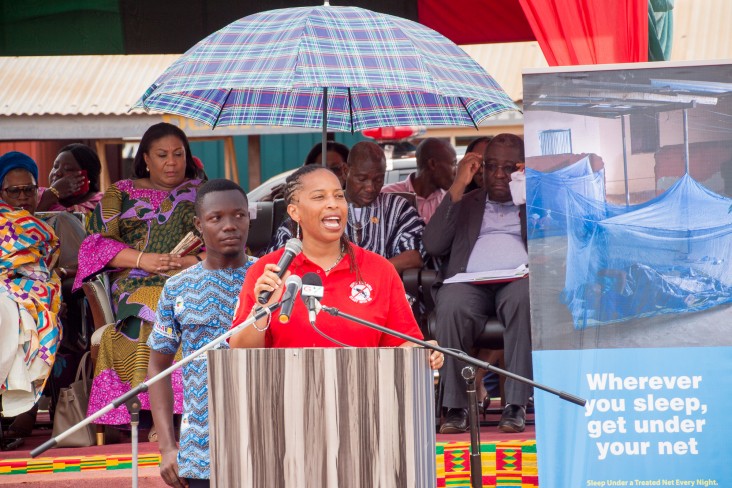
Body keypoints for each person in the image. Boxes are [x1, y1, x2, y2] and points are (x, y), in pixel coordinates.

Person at [229, 165, 443, 372]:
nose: (333, 204)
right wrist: (262, 308)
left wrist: (425, 352)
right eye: (319, 197)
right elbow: (239, 352)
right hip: (285, 397)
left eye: (339, 196)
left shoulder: (380, 270)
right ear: (294, 212)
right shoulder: (268, 271)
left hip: (365, 397)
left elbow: (403, 347)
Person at [73, 122, 205, 429]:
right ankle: (162, 417)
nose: (171, 162)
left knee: (190, 304)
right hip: (137, 279)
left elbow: (226, 238)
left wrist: (183, 262)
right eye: (162, 155)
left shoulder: (201, 191)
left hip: (192, 275)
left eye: (178, 154)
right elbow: (96, 244)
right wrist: (146, 260)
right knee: (155, 300)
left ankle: (188, 414)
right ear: (145, 158)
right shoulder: (122, 192)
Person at [148, 179, 256, 488]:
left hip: (266, 442)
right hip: (201, 452)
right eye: (216, 218)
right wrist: (168, 448)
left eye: (239, 215)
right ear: (198, 224)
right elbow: (157, 367)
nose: (230, 225)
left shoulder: (269, 278)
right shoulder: (177, 287)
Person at [423, 133, 532, 434]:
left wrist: (530, 191)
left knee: (525, 296)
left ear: (522, 168)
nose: (499, 174)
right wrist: (458, 184)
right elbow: (432, 245)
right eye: (491, 166)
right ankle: (455, 407)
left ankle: (516, 404)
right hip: (469, 282)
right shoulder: (467, 201)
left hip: (517, 280)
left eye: (509, 168)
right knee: (451, 302)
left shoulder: (535, 200)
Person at [269, 141, 424, 274]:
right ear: (345, 171)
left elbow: (414, 256)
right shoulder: (315, 207)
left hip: (380, 289)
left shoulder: (397, 207)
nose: (370, 187)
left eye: (378, 179)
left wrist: (371, 272)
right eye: (362, 179)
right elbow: (281, 253)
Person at [0, 151, 62, 445]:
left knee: (33, 321)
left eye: (29, 189)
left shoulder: (44, 228)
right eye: (14, 190)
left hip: (34, 296)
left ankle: (21, 412)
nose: (23, 196)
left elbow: (45, 268)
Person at [381, 138, 456, 224]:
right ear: (432, 164)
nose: (456, 172)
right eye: (453, 164)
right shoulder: (386, 196)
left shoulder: (449, 201)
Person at [262, 141, 350, 201]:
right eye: (320, 169)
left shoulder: (358, 202)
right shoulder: (295, 197)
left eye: (336, 169)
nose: (329, 175)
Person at [36, 143, 103, 214]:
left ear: (87, 178)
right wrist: (51, 195)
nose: (57, 172)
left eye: (68, 169)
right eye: (55, 166)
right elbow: (25, 222)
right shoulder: (36, 196)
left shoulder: (103, 206)